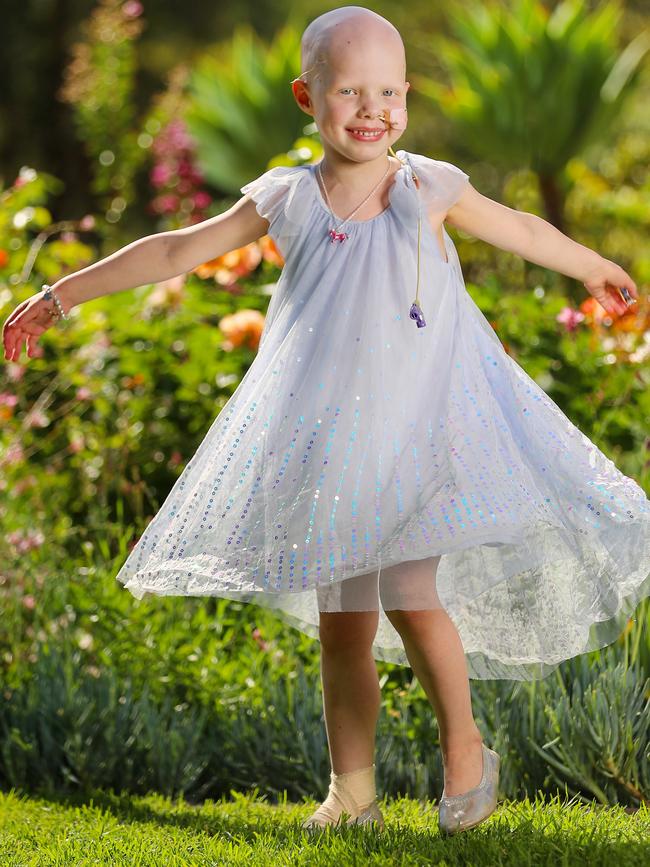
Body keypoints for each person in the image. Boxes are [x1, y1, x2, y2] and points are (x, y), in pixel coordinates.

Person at [3, 4, 649, 838]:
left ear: (408, 95)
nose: (372, 109)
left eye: (388, 90)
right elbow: (173, 250)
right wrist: (61, 293)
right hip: (339, 449)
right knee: (343, 624)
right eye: (350, 91)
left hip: (425, 431)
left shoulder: (428, 186)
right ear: (309, 98)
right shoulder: (288, 198)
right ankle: (353, 793)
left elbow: (516, 226)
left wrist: (593, 263)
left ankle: (467, 754)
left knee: (414, 594)